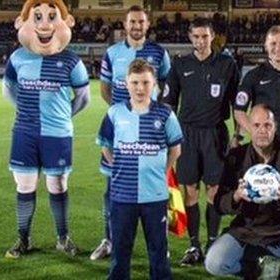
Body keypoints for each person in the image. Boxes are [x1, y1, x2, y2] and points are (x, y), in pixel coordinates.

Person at [3, 0, 90, 258]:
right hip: (25, 133)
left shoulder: (72, 61)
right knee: (25, 185)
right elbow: (9, 89)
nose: (44, 24)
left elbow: (83, 98)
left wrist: (62, 116)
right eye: (37, 17)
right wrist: (28, 111)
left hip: (58, 134)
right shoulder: (18, 58)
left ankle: (63, 238)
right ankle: (23, 239)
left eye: (52, 17)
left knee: (58, 185)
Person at [91, 5, 171, 261]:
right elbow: (105, 88)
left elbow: (168, 87)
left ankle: (159, 246)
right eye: (132, 22)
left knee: (156, 186)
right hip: (121, 132)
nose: (136, 26)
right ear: (124, 25)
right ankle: (109, 240)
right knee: (112, 186)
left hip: (151, 131)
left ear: (147, 25)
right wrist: (121, 114)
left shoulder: (159, 53)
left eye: (141, 22)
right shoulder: (113, 53)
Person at [205, 104, 280, 279]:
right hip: (247, 230)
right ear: (249, 127)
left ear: (275, 128)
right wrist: (236, 196)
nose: (262, 130)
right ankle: (253, 271)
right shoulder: (235, 157)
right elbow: (219, 203)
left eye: (267, 125)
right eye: (256, 125)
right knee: (214, 262)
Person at [163, 17, 240, 266]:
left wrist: (238, 134)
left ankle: (213, 242)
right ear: (190, 37)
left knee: (215, 191)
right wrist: (169, 137)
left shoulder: (227, 64)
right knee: (191, 192)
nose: (200, 41)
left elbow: (237, 103)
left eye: (204, 36)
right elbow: (169, 104)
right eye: (195, 36)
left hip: (215, 134)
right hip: (187, 135)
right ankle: (194, 245)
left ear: (212, 36)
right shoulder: (180, 64)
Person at [97, 59, 182, 279]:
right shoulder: (115, 113)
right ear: (126, 83)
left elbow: (175, 149)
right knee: (120, 251)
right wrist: (119, 167)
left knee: (158, 251)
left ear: (154, 84)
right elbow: (106, 146)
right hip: (123, 195)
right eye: (135, 82)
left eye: (145, 82)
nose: (140, 88)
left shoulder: (165, 114)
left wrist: (163, 172)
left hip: (155, 195)